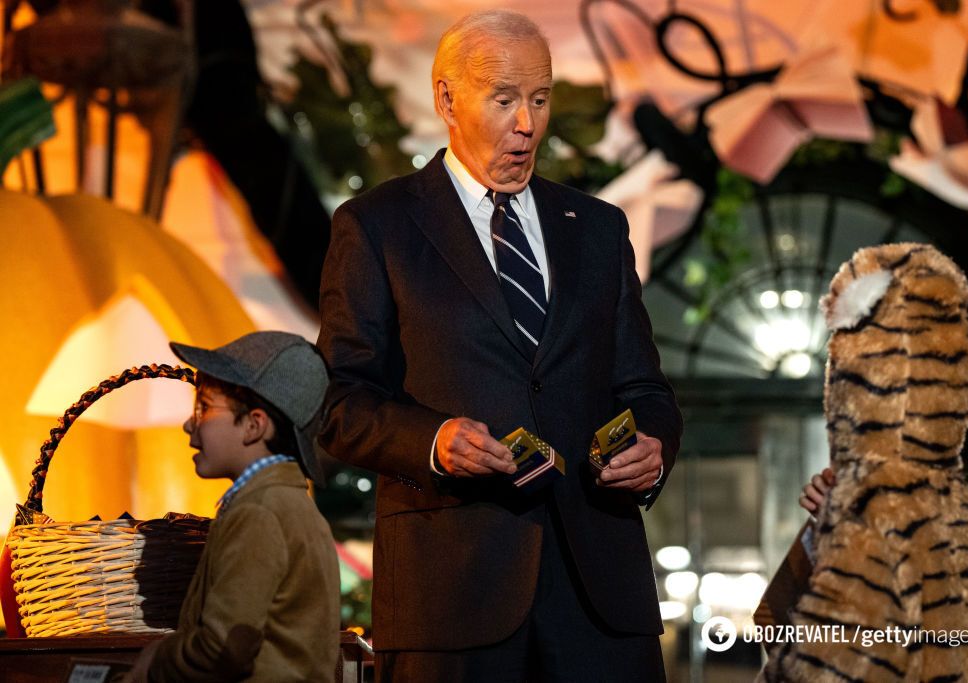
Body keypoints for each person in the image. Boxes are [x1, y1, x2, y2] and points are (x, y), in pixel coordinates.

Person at [316, 9, 682, 682]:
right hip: (452, 600)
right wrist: (434, 440)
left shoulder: (599, 228)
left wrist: (652, 447)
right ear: (447, 99)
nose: (527, 124)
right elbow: (339, 401)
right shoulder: (377, 227)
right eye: (505, 99)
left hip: (600, 602)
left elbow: (646, 390)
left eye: (540, 99)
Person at [129, 331, 341, 682]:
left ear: (254, 425)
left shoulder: (259, 512)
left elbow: (222, 648)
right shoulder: (284, 504)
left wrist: (156, 660)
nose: (189, 423)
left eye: (205, 407)